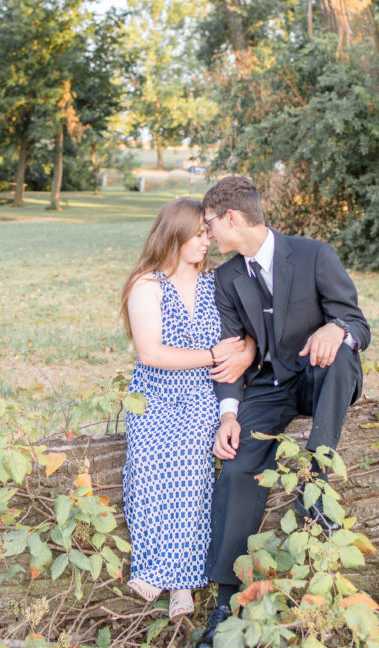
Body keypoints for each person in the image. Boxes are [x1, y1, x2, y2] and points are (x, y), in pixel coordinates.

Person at [194, 177, 370, 648]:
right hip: (269, 388)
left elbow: (359, 324)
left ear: (232, 218)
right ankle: (226, 605)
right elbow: (231, 353)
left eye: (209, 224)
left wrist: (337, 329)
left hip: (318, 375)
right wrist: (228, 414)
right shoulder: (227, 278)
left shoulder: (314, 255)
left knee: (343, 354)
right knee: (236, 469)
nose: (208, 234)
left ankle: (318, 472)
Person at [120, 197, 254, 620]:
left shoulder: (217, 282)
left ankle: (176, 581)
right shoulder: (147, 284)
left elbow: (249, 333)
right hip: (155, 392)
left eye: (207, 233)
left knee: (192, 460)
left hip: (201, 392)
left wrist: (243, 354)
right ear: (174, 235)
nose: (206, 241)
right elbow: (151, 353)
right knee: (146, 461)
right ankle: (162, 572)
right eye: (197, 235)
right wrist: (212, 353)